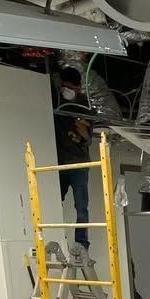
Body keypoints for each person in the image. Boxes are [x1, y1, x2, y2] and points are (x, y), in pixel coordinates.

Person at [52, 65, 93, 253]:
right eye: (64, 86)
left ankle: (81, 244)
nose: (66, 90)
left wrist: (83, 132)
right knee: (54, 200)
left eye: (70, 87)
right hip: (60, 163)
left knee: (81, 206)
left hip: (79, 164)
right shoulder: (56, 101)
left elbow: (88, 138)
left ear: (78, 88)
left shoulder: (85, 107)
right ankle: (55, 237)